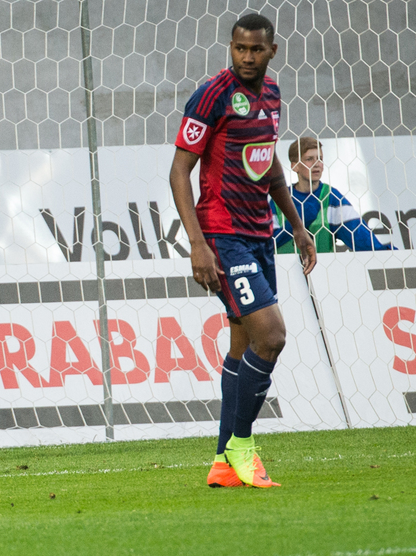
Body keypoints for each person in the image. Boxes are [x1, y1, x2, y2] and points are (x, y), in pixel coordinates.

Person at [168, 14, 317, 488]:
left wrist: (297, 225)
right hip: (222, 234)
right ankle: (242, 445)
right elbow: (179, 171)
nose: (247, 57)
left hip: (260, 234)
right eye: (239, 48)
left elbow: (268, 163)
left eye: (255, 49)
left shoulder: (271, 93)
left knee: (242, 345)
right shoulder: (211, 95)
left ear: (272, 50)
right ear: (230, 47)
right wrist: (198, 244)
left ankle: (221, 462)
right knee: (271, 336)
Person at [272, 136, 394, 252]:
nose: (316, 164)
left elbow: (359, 234)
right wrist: (299, 220)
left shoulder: (330, 197)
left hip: (322, 266)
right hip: (283, 267)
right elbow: (268, 243)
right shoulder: (279, 199)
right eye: (309, 159)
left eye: (320, 159)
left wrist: (386, 253)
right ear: (295, 166)